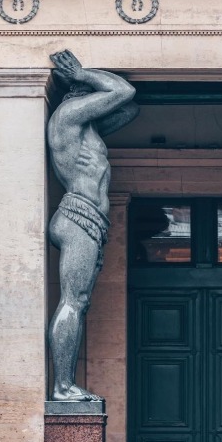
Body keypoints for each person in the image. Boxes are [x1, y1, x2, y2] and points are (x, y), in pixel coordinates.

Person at [47, 49, 138, 401]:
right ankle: (62, 386)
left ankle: (64, 384)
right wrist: (84, 74)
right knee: (74, 300)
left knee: (78, 300)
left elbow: (130, 110)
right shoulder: (68, 115)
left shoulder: (86, 129)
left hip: (88, 219)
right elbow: (124, 93)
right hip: (78, 215)